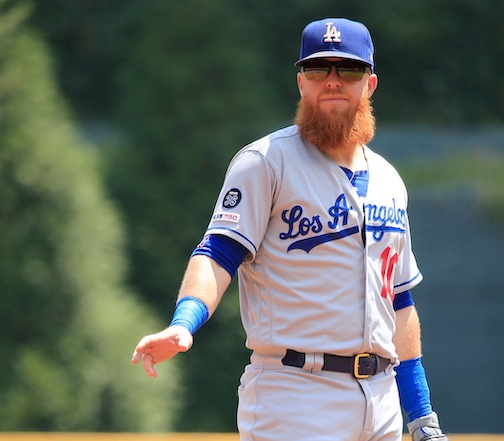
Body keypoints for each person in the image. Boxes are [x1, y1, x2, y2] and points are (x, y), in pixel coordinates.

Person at [131, 17, 449, 441]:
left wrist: (422, 415)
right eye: (319, 69)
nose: (332, 81)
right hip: (297, 393)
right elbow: (218, 253)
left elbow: (401, 302)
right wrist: (183, 322)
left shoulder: (390, 180)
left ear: (369, 85)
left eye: (347, 70)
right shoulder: (266, 161)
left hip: (382, 399)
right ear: (302, 82)